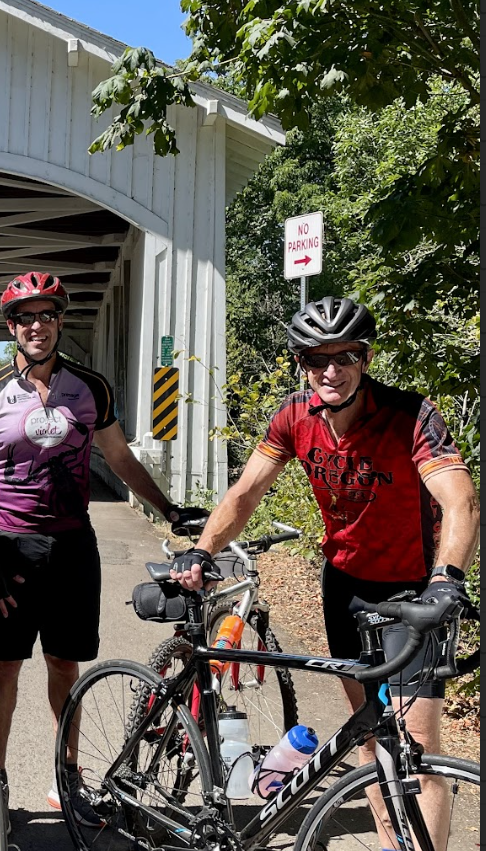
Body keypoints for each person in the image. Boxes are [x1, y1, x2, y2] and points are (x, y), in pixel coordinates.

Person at [169, 296, 478, 849]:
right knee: (369, 737)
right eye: (317, 360)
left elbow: (462, 502)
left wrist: (447, 579)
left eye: (346, 357)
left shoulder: (412, 417)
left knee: (417, 745)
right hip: (346, 588)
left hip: (415, 590)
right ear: (302, 365)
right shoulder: (293, 416)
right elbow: (246, 492)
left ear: (366, 359)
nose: (331, 371)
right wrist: (203, 550)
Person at [0, 270, 205, 822]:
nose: (37, 325)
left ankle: (65, 775)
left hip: (72, 547)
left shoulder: (91, 388)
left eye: (48, 315)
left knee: (65, 666)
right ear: (11, 326)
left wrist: (168, 509)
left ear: (61, 321)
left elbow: (119, 459)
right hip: (10, 549)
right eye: (25, 317)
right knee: (4, 668)